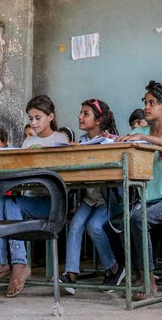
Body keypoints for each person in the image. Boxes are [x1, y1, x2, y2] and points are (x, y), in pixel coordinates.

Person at [0, 95, 68, 297]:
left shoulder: (61, 139)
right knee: (4, 203)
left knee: (10, 205)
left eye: (38, 118)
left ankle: (10, 263)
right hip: (30, 199)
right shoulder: (28, 141)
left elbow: (64, 175)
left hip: (52, 202)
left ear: (51, 117)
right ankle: (12, 263)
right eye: (31, 118)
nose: (33, 123)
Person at [115, 80, 162, 300]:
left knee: (138, 219)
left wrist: (141, 136)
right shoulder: (141, 130)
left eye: (152, 103)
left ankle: (149, 280)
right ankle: (138, 272)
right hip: (149, 197)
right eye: (145, 102)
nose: (146, 107)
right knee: (121, 221)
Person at [59, 99, 125, 294]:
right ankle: (70, 275)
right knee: (76, 224)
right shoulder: (80, 142)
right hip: (89, 198)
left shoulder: (111, 141)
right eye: (81, 112)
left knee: (94, 226)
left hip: (110, 200)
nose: (80, 116)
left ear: (99, 120)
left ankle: (114, 268)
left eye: (85, 113)